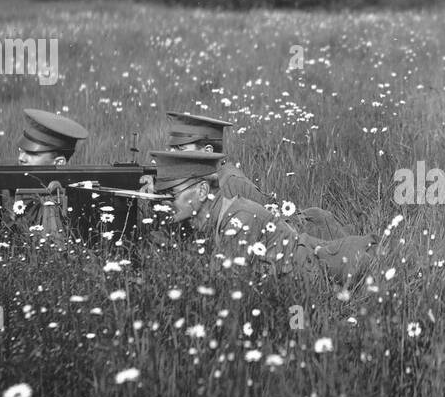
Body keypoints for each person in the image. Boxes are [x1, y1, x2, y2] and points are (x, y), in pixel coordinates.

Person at [148, 150, 376, 284]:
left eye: (171, 193)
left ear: (202, 192)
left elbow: (222, 285)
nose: (164, 200)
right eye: (161, 194)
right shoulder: (216, 216)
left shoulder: (238, 219)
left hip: (336, 270)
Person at [165, 109, 353, 242]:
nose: (172, 154)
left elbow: (276, 228)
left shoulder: (230, 182)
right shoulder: (203, 180)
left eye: (180, 148)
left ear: (207, 151)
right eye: (171, 148)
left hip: (304, 237)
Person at [0, 108, 88, 244]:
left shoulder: (80, 191)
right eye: (21, 151)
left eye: (32, 153)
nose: (21, 158)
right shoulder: (5, 178)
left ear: (59, 162)